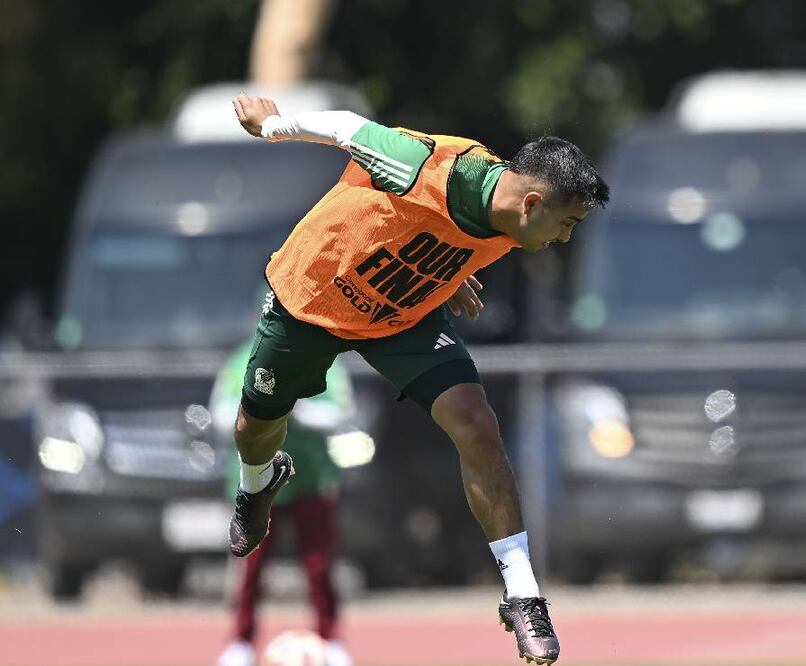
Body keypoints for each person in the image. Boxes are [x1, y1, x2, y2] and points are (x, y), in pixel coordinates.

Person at [228, 92, 609, 665]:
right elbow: (348, 128)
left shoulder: (512, 217)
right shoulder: (428, 166)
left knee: (475, 421)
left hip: (400, 316)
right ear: (532, 203)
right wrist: (273, 125)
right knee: (252, 428)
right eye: (567, 223)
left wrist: (447, 270)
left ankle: (523, 593)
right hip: (313, 299)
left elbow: (437, 230)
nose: (566, 238)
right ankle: (259, 482)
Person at [214, 337, 354, 666]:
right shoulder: (241, 359)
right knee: (249, 568)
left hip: (311, 479)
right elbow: (220, 414)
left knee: (320, 565)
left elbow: (342, 411)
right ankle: (241, 642)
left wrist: (296, 408)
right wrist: (261, 409)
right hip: (256, 483)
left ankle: (330, 640)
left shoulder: (324, 356)